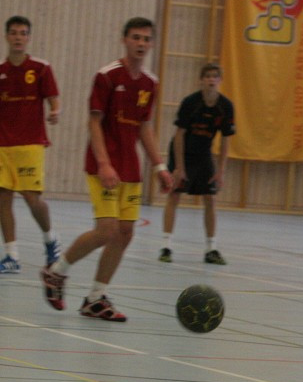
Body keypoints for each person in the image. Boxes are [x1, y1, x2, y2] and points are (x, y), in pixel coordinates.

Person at [39, 17, 172, 321]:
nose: (141, 43)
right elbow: (94, 121)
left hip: (131, 168)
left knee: (125, 233)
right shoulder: (107, 76)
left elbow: (144, 128)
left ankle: (95, 299)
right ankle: (56, 272)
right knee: (107, 229)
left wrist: (160, 167)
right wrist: (103, 163)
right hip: (104, 164)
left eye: (146, 39)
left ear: (151, 44)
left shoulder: (150, 83)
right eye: (135, 38)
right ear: (124, 40)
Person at [0, 15, 62, 274]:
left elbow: (53, 97)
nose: (18, 37)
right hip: (3, 145)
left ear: (28, 38)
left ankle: (50, 239)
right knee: (3, 199)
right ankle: (11, 255)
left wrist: (55, 111)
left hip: (31, 144)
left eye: (23, 33)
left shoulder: (40, 68)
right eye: (14, 32)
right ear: (6, 36)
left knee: (31, 198)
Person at [159, 62, 235, 265]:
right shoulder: (190, 103)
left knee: (210, 198)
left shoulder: (225, 106)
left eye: (215, 76)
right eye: (207, 76)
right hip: (182, 152)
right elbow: (179, 135)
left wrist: (221, 171)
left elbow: (226, 139)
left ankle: (211, 248)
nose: (211, 79)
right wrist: (179, 168)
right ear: (201, 80)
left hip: (203, 155)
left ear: (220, 81)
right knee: (174, 196)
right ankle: (166, 246)